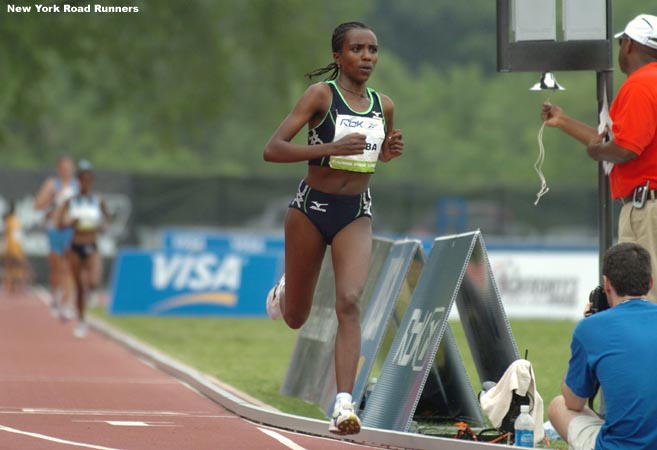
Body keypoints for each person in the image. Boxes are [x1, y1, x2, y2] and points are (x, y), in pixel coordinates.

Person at [263, 21, 403, 435]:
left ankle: (344, 403)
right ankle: (285, 292)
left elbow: (375, 157)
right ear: (338, 56)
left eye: (373, 50)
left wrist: (389, 152)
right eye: (357, 49)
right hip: (310, 210)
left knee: (350, 300)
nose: (367, 57)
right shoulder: (321, 95)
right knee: (295, 318)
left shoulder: (385, 105)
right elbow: (272, 149)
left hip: (355, 212)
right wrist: (329, 148)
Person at [541, 14, 657, 302]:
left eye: (621, 42)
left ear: (629, 45)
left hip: (649, 207)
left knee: (644, 302)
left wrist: (595, 152)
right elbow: (618, 140)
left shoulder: (640, 84)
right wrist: (565, 122)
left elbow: (624, 149)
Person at [548, 242, 657, 449]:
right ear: (651, 282)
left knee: (558, 405)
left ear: (606, 284)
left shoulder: (591, 328)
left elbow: (574, 402)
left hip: (618, 446)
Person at [57, 160, 110, 338]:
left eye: (88, 179)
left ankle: (92, 293)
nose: (85, 183)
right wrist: (71, 222)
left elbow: (107, 220)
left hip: (92, 244)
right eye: (82, 179)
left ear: (91, 181)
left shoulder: (98, 199)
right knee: (79, 286)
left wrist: (101, 226)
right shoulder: (71, 201)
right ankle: (81, 320)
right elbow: (60, 223)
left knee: (93, 280)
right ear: (78, 181)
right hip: (75, 245)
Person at [34, 155, 79, 317]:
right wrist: (51, 197)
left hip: (71, 231)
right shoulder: (52, 185)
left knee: (69, 267)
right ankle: (55, 294)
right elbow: (37, 205)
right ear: (58, 169)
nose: (66, 170)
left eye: (69, 167)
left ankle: (67, 303)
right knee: (56, 269)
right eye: (63, 167)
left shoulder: (78, 186)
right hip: (55, 230)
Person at [1, 200, 31, 292]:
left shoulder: (10, 221)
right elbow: (17, 236)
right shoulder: (15, 221)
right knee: (16, 267)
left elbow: (14, 235)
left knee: (12, 267)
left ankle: (14, 285)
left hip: (12, 248)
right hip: (15, 248)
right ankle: (14, 285)